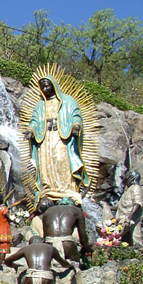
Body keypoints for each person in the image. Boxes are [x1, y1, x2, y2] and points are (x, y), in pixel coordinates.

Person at [25, 75, 89, 205]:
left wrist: (76, 126)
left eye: (47, 85)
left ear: (54, 85)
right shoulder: (39, 105)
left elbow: (76, 115)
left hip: (61, 137)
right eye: (42, 86)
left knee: (61, 160)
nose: (44, 88)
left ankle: (66, 189)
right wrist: (31, 130)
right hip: (45, 138)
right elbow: (34, 120)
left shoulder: (68, 101)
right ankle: (48, 189)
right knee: (46, 164)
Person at [40, 198, 92, 262]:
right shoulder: (76, 211)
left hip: (50, 245)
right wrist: (87, 249)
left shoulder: (47, 212)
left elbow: (45, 237)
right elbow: (83, 238)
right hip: (67, 245)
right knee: (75, 265)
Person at [115, 170, 143, 247]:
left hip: (131, 219)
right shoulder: (128, 190)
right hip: (122, 219)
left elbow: (137, 204)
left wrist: (130, 217)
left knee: (136, 237)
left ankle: (139, 253)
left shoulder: (136, 188)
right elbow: (121, 207)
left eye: (127, 176)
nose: (125, 178)